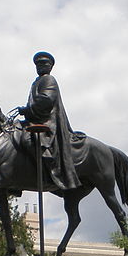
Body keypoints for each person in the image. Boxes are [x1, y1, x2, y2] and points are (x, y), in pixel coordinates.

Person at [16, 51, 81, 191]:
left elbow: (46, 101)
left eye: (44, 63)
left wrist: (27, 110)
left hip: (47, 122)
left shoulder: (49, 80)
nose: (40, 66)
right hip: (36, 119)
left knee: (28, 140)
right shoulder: (36, 82)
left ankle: (47, 171)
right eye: (38, 64)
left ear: (50, 66)